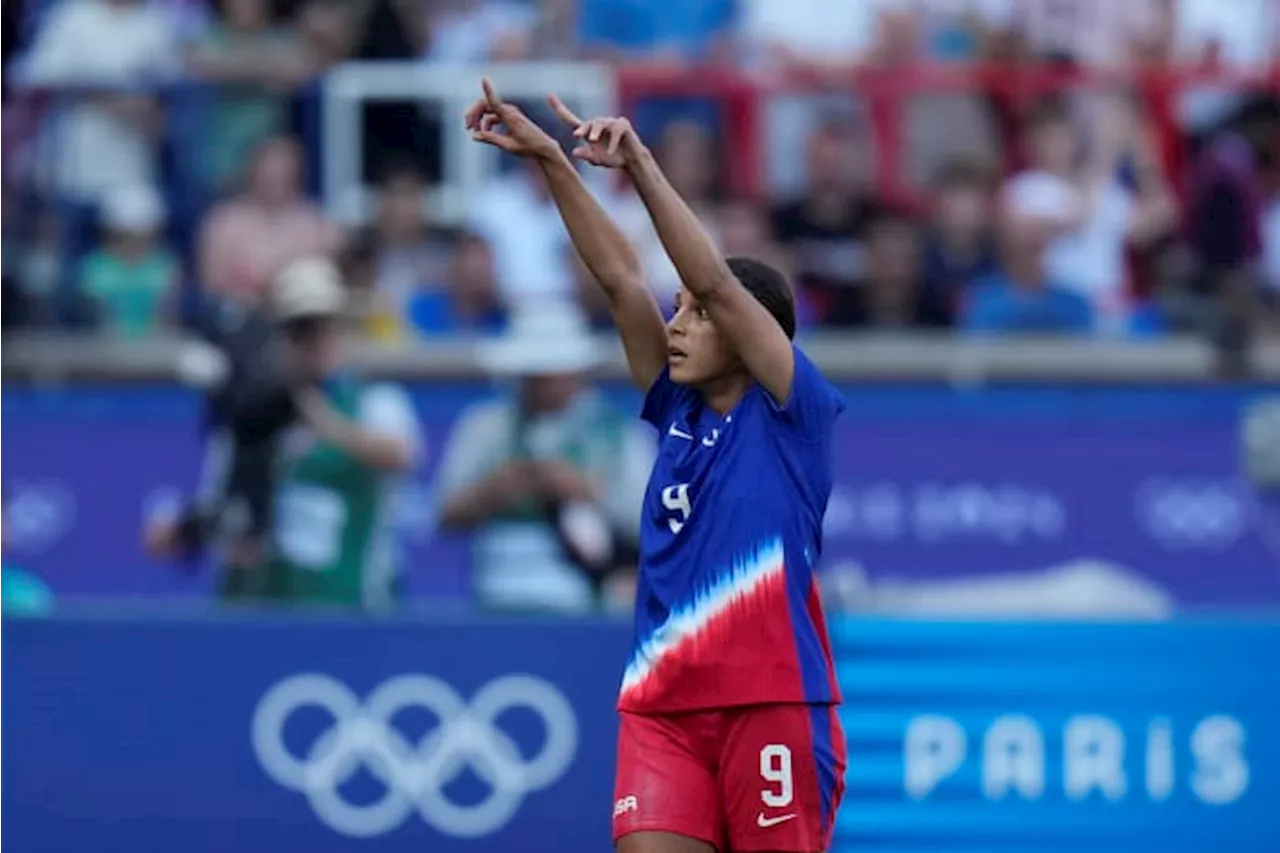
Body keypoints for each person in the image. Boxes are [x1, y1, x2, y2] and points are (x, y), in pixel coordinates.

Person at [466, 79, 846, 853]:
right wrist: (551, 162)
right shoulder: (674, 408)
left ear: (751, 333)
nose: (677, 322)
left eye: (697, 316)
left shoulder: (793, 411)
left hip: (769, 703)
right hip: (661, 704)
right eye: (677, 312)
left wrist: (639, 162)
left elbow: (712, 278)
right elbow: (619, 279)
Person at [437, 303, 653, 614]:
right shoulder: (484, 426)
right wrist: (496, 489)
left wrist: (586, 491)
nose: (539, 383)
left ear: (576, 371)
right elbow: (445, 514)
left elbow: (651, 522)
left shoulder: (618, 433)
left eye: (549, 372)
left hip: (587, 596)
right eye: (532, 373)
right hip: (494, 591)